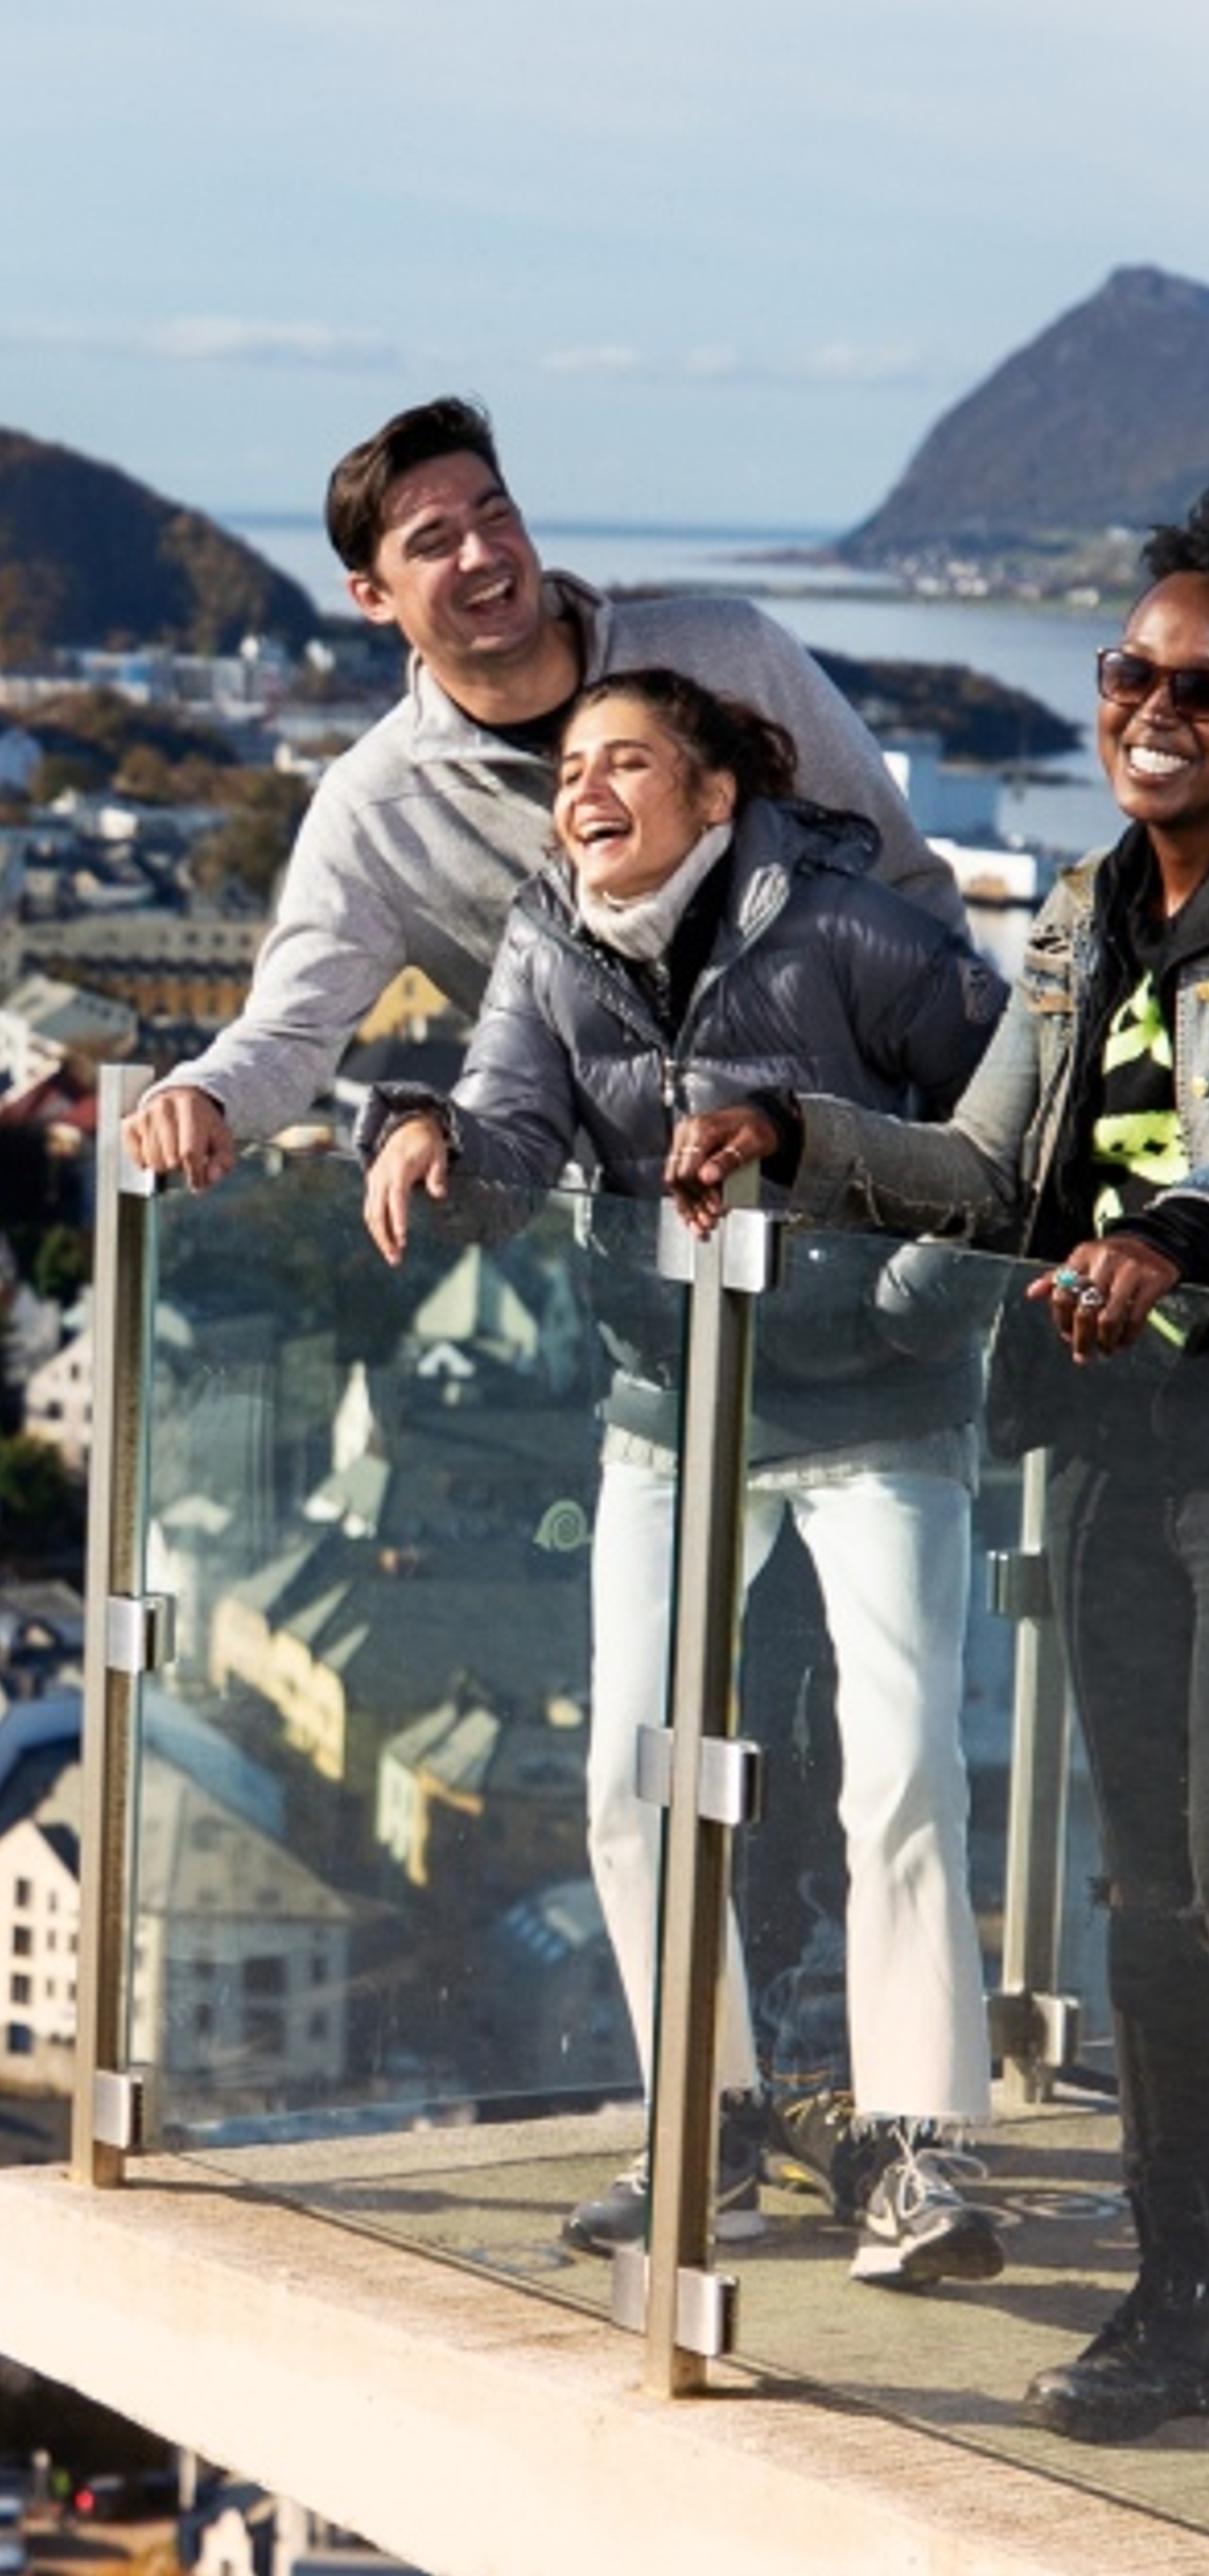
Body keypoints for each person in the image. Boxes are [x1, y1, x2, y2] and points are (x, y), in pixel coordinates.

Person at [668, 501, 1209, 2437]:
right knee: (1152, 1893)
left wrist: (1172, 1242)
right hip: (1125, 1467)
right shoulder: (1075, 919)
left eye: (1195, 687)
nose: (1152, 710)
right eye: (1127, 673)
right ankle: (1175, 2295)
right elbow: (986, 1175)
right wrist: (782, 1129)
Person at [364, 668, 1010, 2284]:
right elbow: (515, 1138)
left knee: (905, 1766)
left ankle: (922, 2150)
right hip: (677, 1394)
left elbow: (1015, 1128)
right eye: (569, 766)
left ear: (715, 795)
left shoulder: (858, 930)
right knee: (634, 1774)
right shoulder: (550, 938)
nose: (583, 790)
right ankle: (704, 2130)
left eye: (625, 762)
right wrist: (426, 1130)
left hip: (878, 1399)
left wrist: (910, 1299)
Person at [123, 396, 961, 1195]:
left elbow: (912, 895)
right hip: (648, 1267)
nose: (483, 555)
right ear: (371, 598)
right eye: (433, 541)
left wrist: (949, 1171)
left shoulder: (732, 654)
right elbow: (294, 1029)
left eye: (496, 516)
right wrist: (205, 1094)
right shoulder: (374, 809)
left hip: (873, 1223)